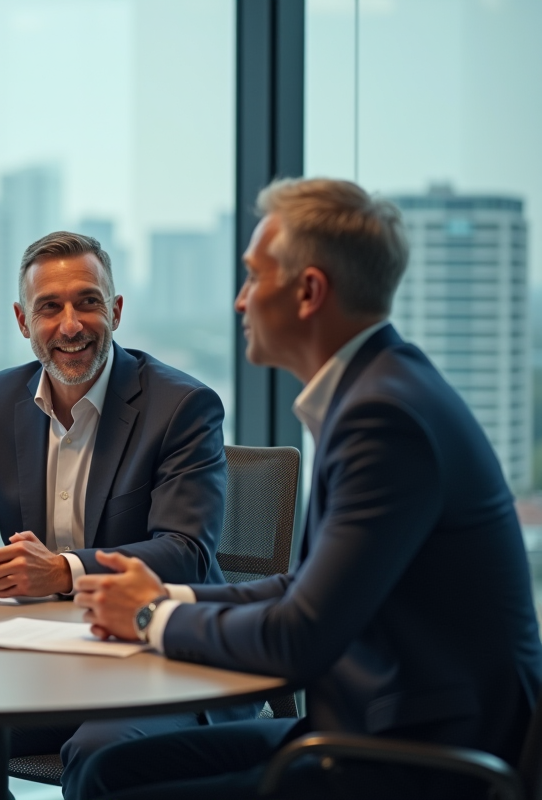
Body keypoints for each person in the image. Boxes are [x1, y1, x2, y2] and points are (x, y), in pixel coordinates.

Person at [72, 177, 542, 800]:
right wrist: (168, 592)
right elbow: (304, 590)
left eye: (253, 277)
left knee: (124, 787)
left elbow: (298, 637)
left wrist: (149, 614)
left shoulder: (384, 418)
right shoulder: (378, 389)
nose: (240, 302)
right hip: (375, 725)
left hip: (421, 756)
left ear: (309, 291)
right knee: (111, 771)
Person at [0, 231, 242, 800]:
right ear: (23, 322)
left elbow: (186, 553)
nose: (71, 324)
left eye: (88, 302)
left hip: (159, 664)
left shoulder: (182, 407)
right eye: (49, 307)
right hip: (45, 662)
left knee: (100, 754)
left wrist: (63, 571)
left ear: (117, 311)